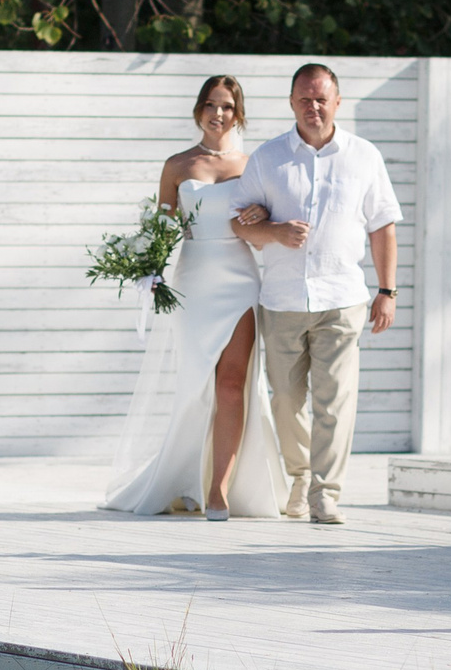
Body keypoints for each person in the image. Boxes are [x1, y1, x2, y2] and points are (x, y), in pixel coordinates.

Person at [101, 75, 289, 520]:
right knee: (194, 385)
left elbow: (269, 221)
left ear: (238, 114)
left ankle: (219, 487)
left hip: (240, 278)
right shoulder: (177, 165)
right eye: (210, 104)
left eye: (227, 106)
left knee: (232, 383)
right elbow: (160, 227)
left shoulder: (253, 164)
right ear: (198, 110)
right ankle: (182, 477)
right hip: (193, 279)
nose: (217, 113)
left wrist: (263, 213)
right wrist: (146, 268)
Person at [232, 63, 400, 525]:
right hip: (282, 300)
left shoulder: (364, 156)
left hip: (342, 298)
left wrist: (387, 290)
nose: (313, 107)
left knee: (335, 400)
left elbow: (383, 227)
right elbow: (238, 222)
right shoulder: (267, 158)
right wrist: (274, 230)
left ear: (337, 102)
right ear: (291, 102)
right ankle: (301, 476)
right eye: (305, 99)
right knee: (286, 401)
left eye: (322, 99)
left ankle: (326, 493)